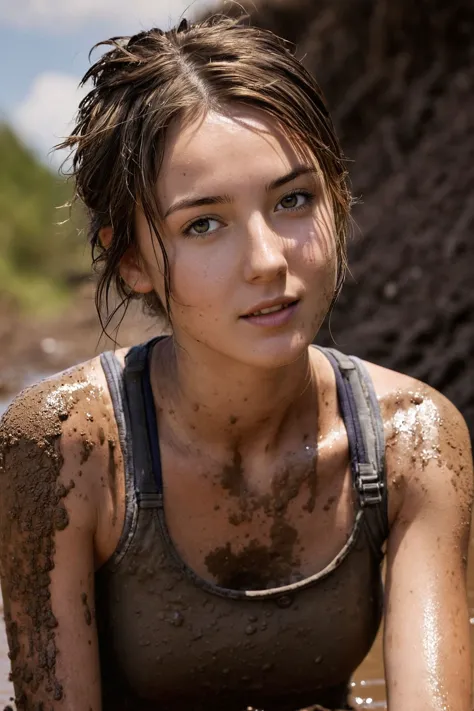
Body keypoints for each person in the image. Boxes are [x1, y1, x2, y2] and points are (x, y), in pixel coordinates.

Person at [0, 15, 472, 711]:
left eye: (293, 200)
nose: (267, 261)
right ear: (131, 260)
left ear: (337, 200)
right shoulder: (65, 447)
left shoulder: (414, 443)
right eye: (204, 224)